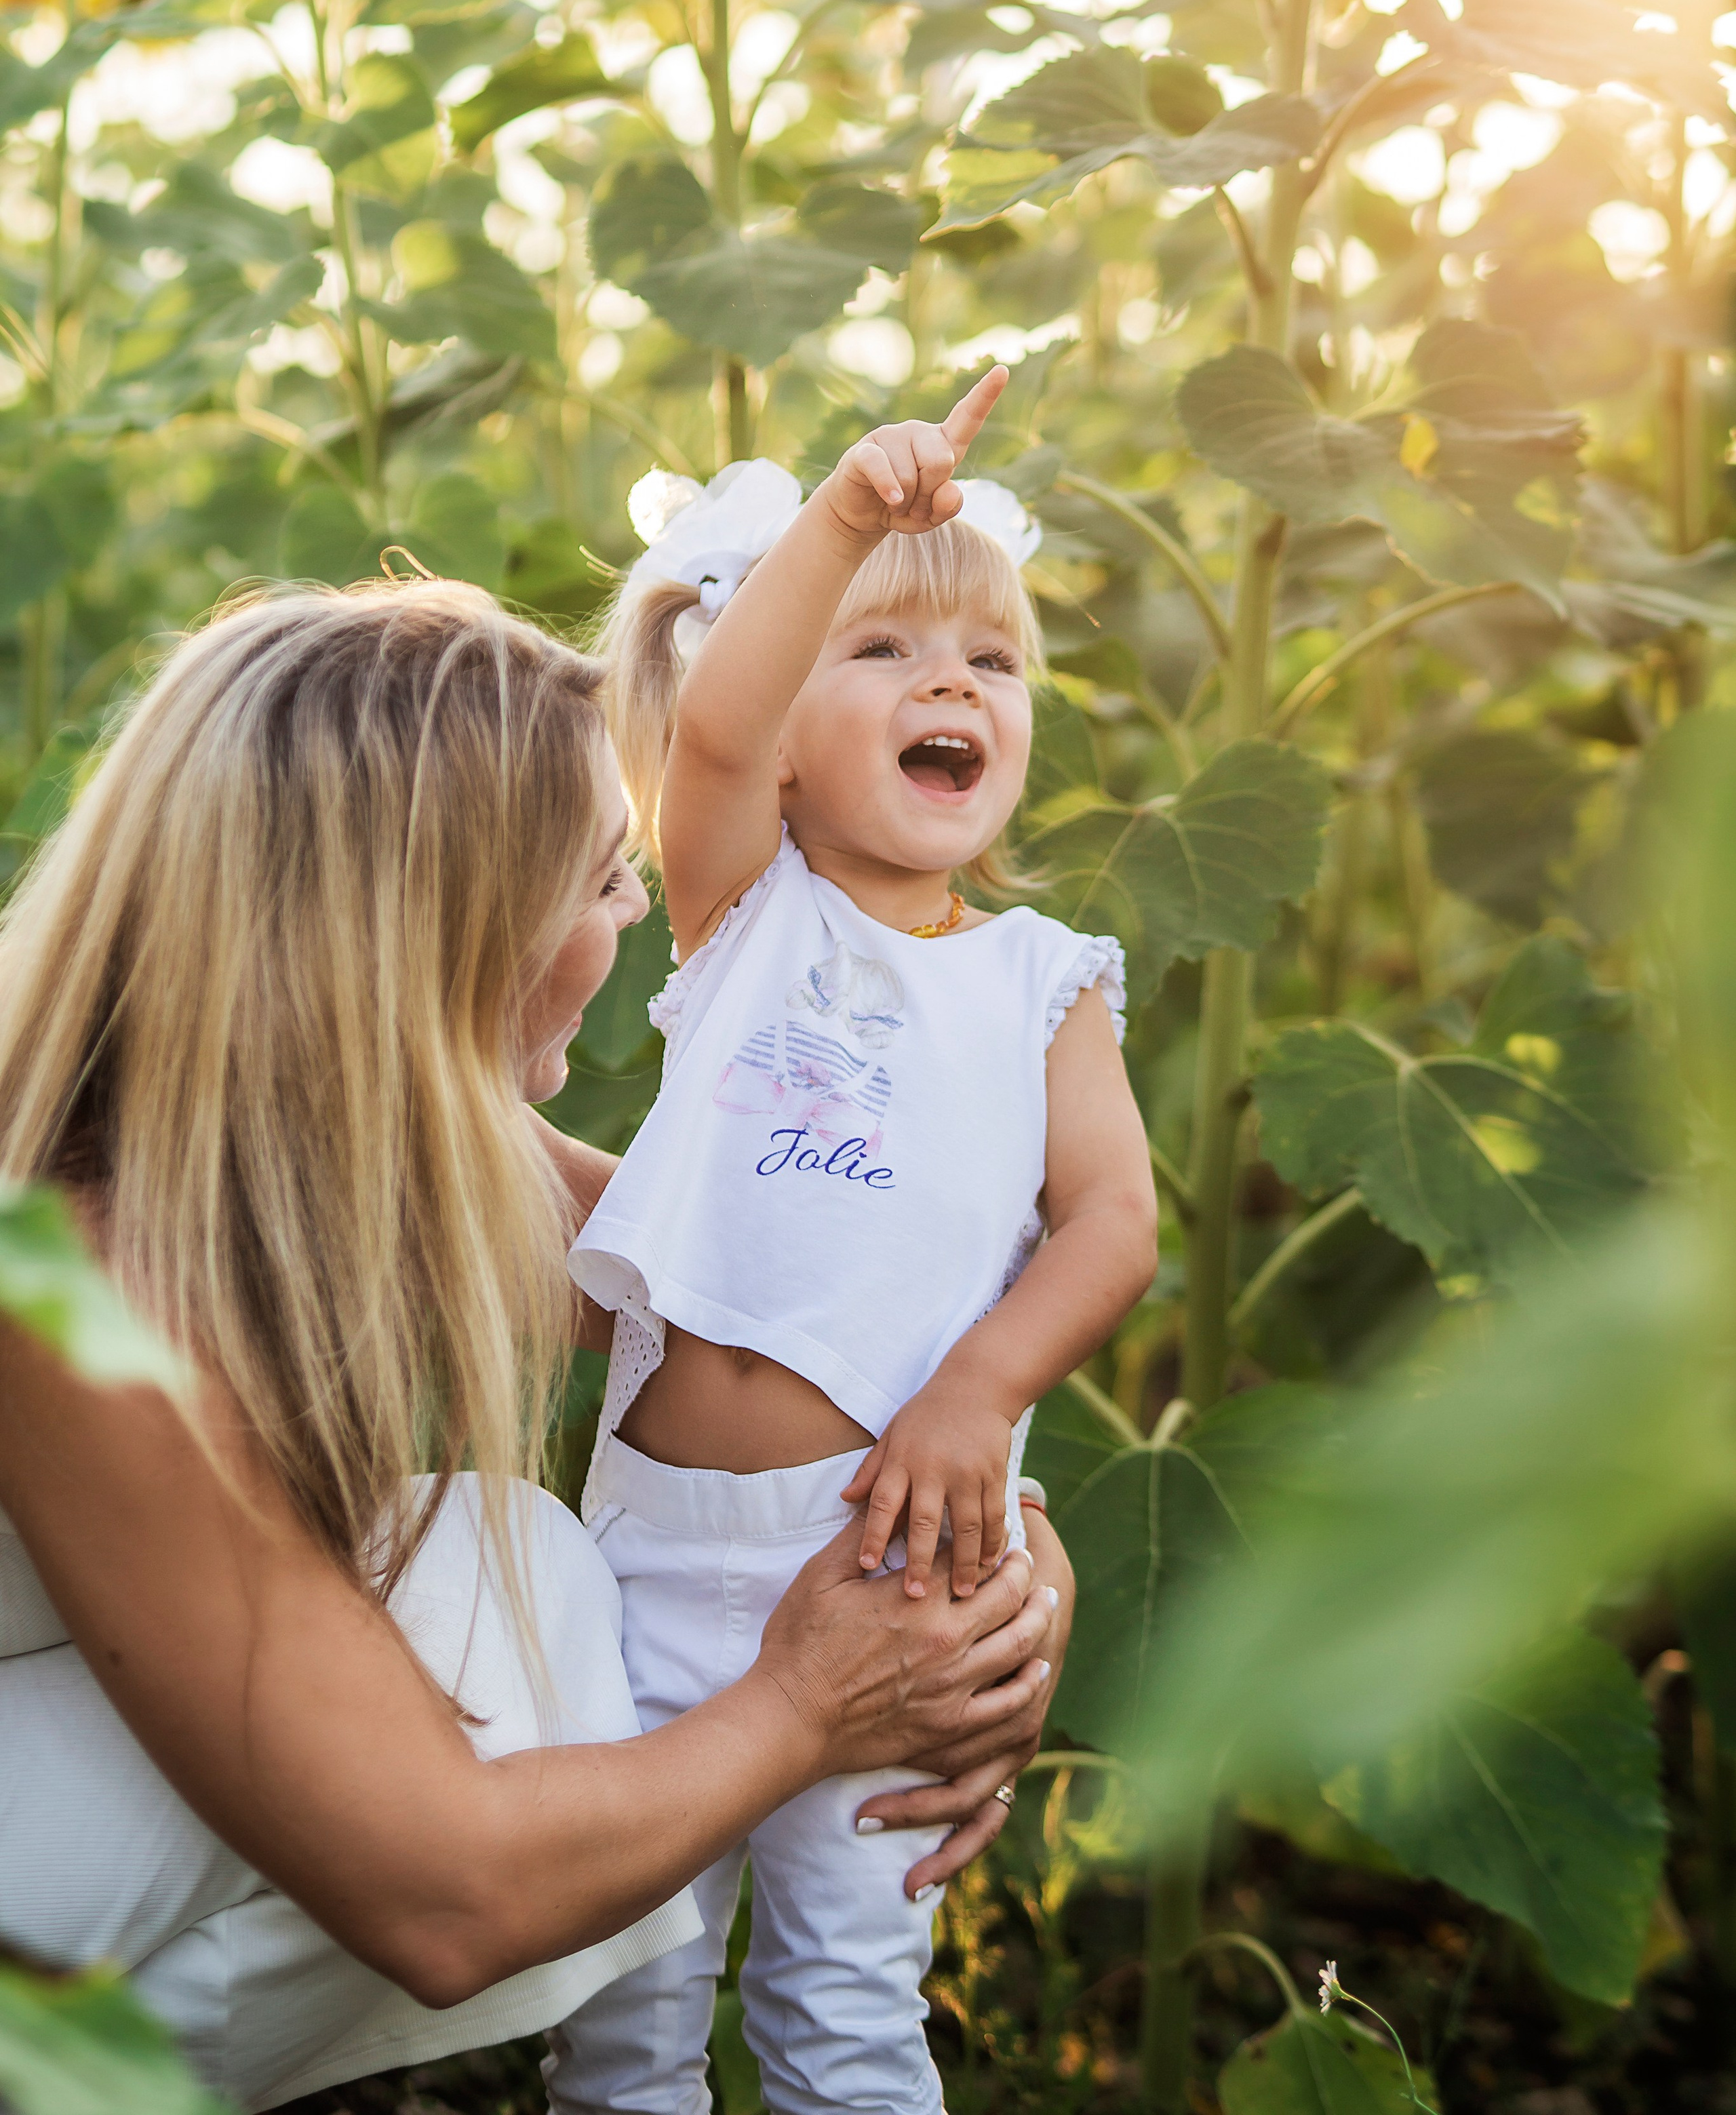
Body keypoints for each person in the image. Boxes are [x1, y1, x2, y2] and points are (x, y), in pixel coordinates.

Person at [0, 578, 1074, 2115]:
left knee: (497, 1591)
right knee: (519, 1627)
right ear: (430, 931)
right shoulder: (72, 1267)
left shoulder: (274, 1093)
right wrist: (813, 1701)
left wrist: (995, 1555)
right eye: (595, 878)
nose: (639, 910)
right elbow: (445, 1905)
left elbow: (764, 1318)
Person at [554, 372, 1158, 2114]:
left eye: (991, 657)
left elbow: (1109, 1223)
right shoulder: (746, 906)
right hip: (655, 1564)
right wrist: (841, 522)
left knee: (844, 2006)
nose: (953, 681)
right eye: (881, 653)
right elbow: (720, 742)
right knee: (623, 2017)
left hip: (889, 1565)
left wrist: (978, 1391)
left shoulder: (1042, 980)